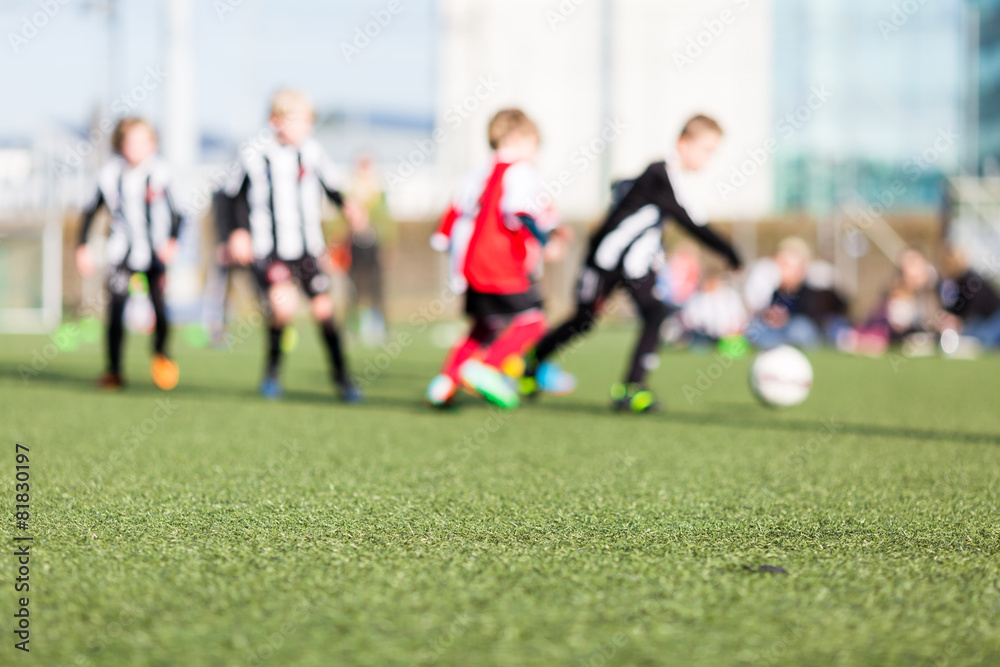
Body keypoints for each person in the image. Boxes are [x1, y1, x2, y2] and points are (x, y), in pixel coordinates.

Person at [522, 114, 742, 413]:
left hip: (636, 267)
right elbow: (690, 222)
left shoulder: (672, 180)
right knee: (583, 321)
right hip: (606, 262)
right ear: (683, 143)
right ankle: (531, 362)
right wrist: (730, 252)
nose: (708, 159)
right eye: (706, 150)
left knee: (656, 313)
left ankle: (631, 388)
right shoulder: (659, 174)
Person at [226, 89, 365, 402]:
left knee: (324, 311)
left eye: (309, 122)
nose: (305, 128)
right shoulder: (254, 152)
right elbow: (228, 196)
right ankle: (272, 375)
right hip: (270, 249)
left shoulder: (312, 152)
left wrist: (349, 207)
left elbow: (333, 188)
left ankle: (343, 379)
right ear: (275, 121)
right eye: (298, 121)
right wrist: (237, 232)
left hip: (307, 249)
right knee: (282, 307)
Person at [425, 108, 559, 410]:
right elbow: (520, 211)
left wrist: (454, 260)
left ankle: (444, 383)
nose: (535, 153)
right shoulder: (519, 170)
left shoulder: (476, 173)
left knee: (483, 325)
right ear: (514, 139)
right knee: (535, 321)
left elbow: (448, 224)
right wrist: (545, 241)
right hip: (500, 262)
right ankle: (489, 367)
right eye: (533, 144)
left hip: (468, 264)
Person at [76, 117, 182, 391]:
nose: (136, 148)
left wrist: (172, 241)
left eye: (142, 142)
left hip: (154, 254)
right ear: (120, 144)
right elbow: (90, 211)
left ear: (153, 144)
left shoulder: (161, 172)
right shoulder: (109, 174)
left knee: (160, 308)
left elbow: (177, 212)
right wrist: (83, 247)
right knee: (116, 309)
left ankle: (161, 355)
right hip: (121, 253)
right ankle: (113, 370)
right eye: (130, 141)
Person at [746, 237, 849, 350]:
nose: (780, 269)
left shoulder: (814, 286)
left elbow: (816, 314)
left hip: (798, 329)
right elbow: (758, 309)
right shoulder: (769, 285)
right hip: (773, 331)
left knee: (800, 329)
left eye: (787, 265)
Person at [346, 154, 396, 346]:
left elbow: (386, 220)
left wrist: (388, 245)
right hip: (354, 246)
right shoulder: (350, 192)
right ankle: (352, 327)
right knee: (353, 290)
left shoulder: (378, 193)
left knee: (377, 290)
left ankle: (380, 328)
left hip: (373, 245)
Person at [938, 247, 1000, 348]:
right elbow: (960, 304)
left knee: (983, 340)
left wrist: (959, 320)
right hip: (987, 318)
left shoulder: (969, 279)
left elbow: (972, 306)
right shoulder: (962, 281)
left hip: (995, 316)